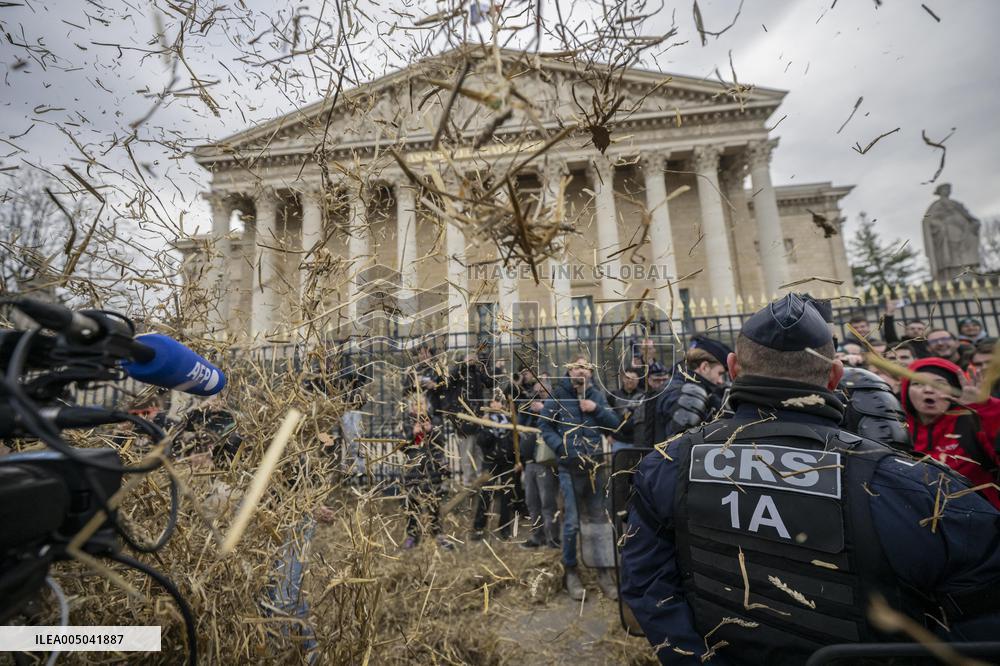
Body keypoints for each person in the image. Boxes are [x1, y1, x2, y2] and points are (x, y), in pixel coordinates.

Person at [621, 293, 1000, 665]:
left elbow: (648, 587)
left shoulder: (670, 463)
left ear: (734, 368)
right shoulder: (915, 490)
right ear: (836, 375)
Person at [538, 356, 621, 601]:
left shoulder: (596, 395)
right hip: (570, 469)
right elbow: (545, 427)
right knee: (572, 523)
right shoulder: (558, 395)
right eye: (576, 367)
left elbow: (614, 424)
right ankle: (571, 571)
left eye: (585, 367)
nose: (581, 371)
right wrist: (563, 448)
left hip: (596, 468)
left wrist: (596, 409)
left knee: (599, 522)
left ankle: (604, 572)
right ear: (569, 370)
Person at [900, 357, 1000, 509]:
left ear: (956, 391)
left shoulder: (973, 423)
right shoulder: (897, 427)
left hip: (980, 520)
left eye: (939, 383)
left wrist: (985, 408)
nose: (928, 389)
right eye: (917, 383)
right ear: (906, 391)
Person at [642, 344, 727, 448]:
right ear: (705, 367)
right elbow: (681, 448)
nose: (720, 381)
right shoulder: (689, 394)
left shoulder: (678, 386)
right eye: (720, 373)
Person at [400, 394, 453, 550]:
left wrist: (431, 431)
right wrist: (412, 434)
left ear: (426, 405)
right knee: (412, 505)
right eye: (415, 404)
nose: (419, 406)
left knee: (434, 505)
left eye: (421, 403)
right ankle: (412, 535)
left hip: (432, 469)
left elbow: (441, 442)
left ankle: (437, 535)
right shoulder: (406, 423)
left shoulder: (434, 421)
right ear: (411, 407)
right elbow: (402, 446)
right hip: (413, 469)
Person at [516, 373, 560, 549]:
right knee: (532, 502)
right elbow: (520, 424)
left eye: (543, 390)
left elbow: (558, 423)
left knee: (547, 502)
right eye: (537, 390)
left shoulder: (555, 405)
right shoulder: (530, 405)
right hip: (529, 462)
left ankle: (553, 538)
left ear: (549, 390)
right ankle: (537, 536)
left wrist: (544, 409)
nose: (540, 393)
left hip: (545, 461)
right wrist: (528, 409)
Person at [471, 394, 518, 540]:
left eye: (497, 401)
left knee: (506, 495)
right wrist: (488, 429)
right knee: (486, 493)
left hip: (507, 462)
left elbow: (515, 441)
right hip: (490, 461)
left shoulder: (510, 419)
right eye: (491, 401)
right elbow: (481, 441)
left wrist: (514, 459)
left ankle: (505, 529)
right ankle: (479, 528)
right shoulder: (485, 420)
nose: (493, 403)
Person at [606, 368, 644, 453]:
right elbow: (606, 416)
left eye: (633, 378)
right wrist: (607, 434)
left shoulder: (643, 396)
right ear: (623, 379)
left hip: (637, 440)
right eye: (627, 378)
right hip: (618, 440)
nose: (630, 381)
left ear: (638, 380)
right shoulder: (613, 396)